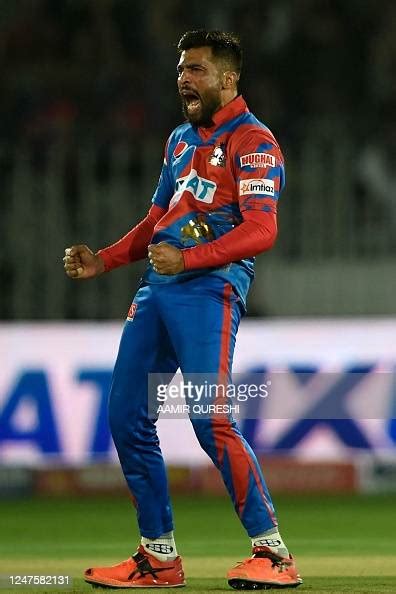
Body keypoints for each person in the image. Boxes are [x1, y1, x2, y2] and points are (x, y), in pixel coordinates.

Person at [63, 29, 302, 591]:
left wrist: (191, 256)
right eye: (180, 70)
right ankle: (159, 557)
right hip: (159, 287)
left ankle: (272, 553)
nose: (184, 80)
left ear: (228, 77)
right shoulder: (178, 139)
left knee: (209, 415)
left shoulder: (254, 142)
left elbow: (261, 229)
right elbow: (156, 219)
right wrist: (105, 259)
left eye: (196, 69)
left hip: (209, 288)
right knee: (126, 414)